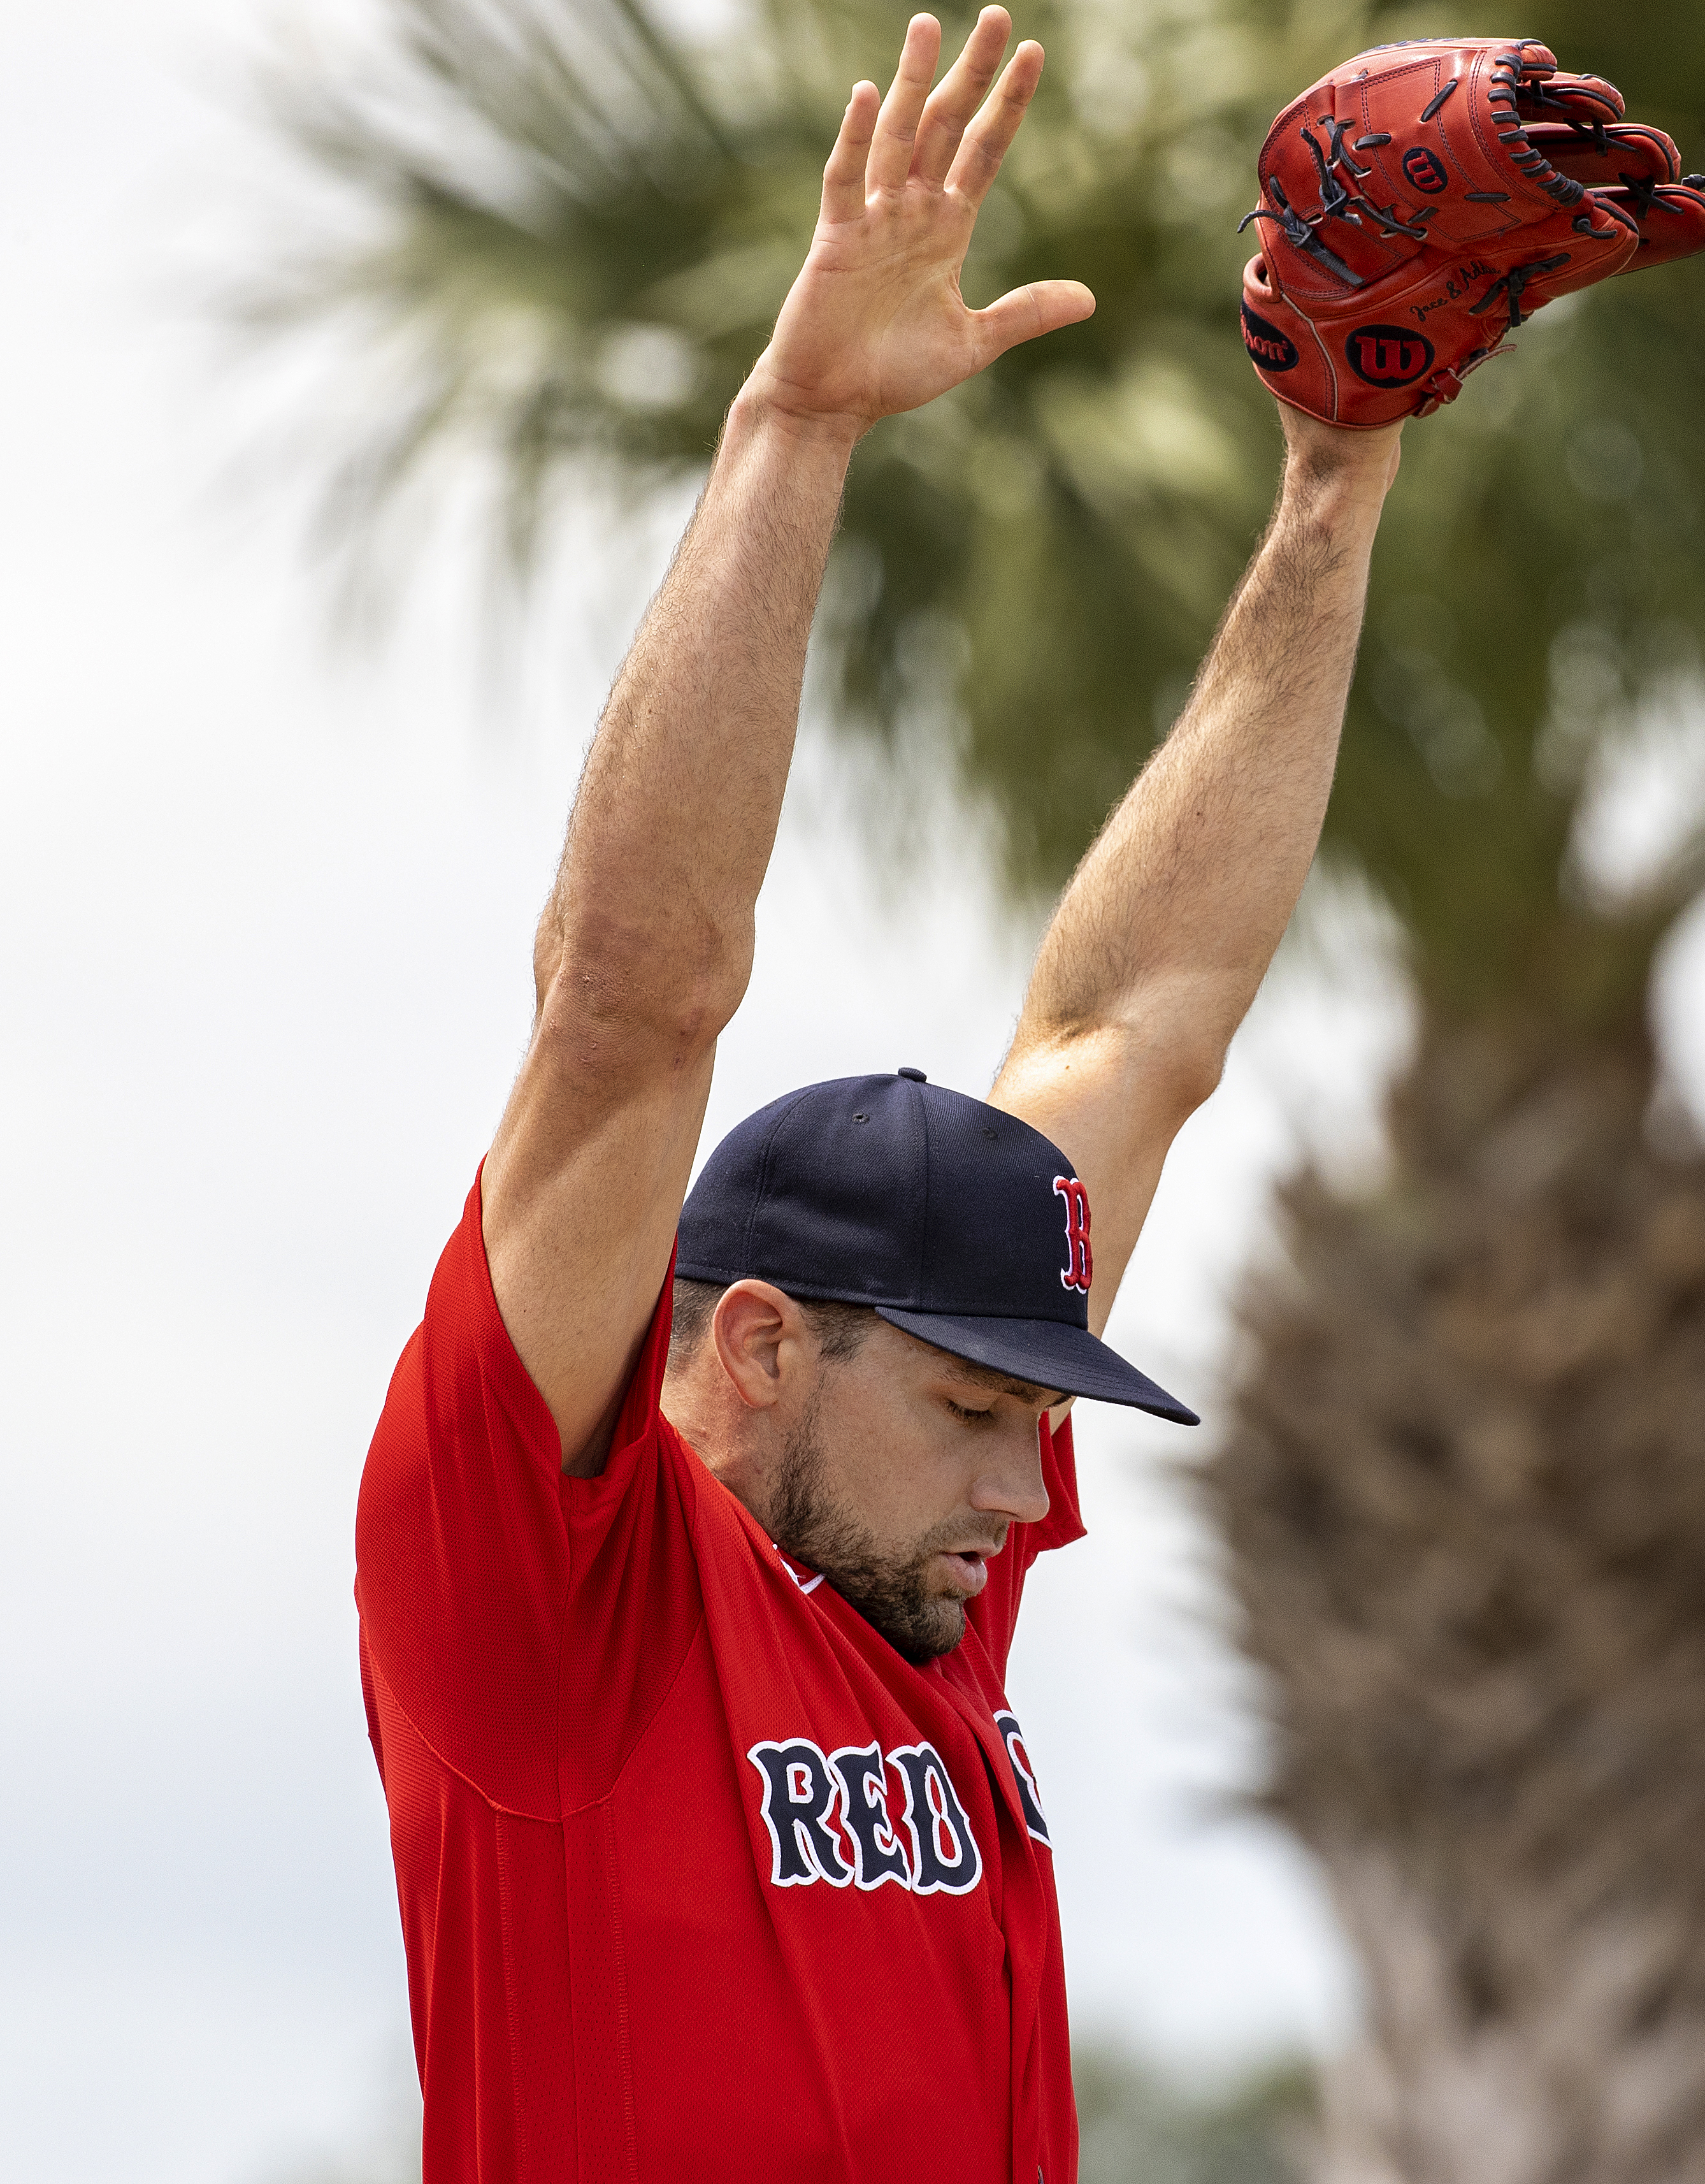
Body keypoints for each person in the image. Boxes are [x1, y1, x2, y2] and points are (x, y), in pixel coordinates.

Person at [352, 12, 1402, 2179]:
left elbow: (1149, 1022)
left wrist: (1337, 472)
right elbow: (630, 1008)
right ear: (752, 1341)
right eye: (976, 1408)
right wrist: (800, 422)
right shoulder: (547, 1605)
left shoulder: (915, 1587)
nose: (1032, 1494)